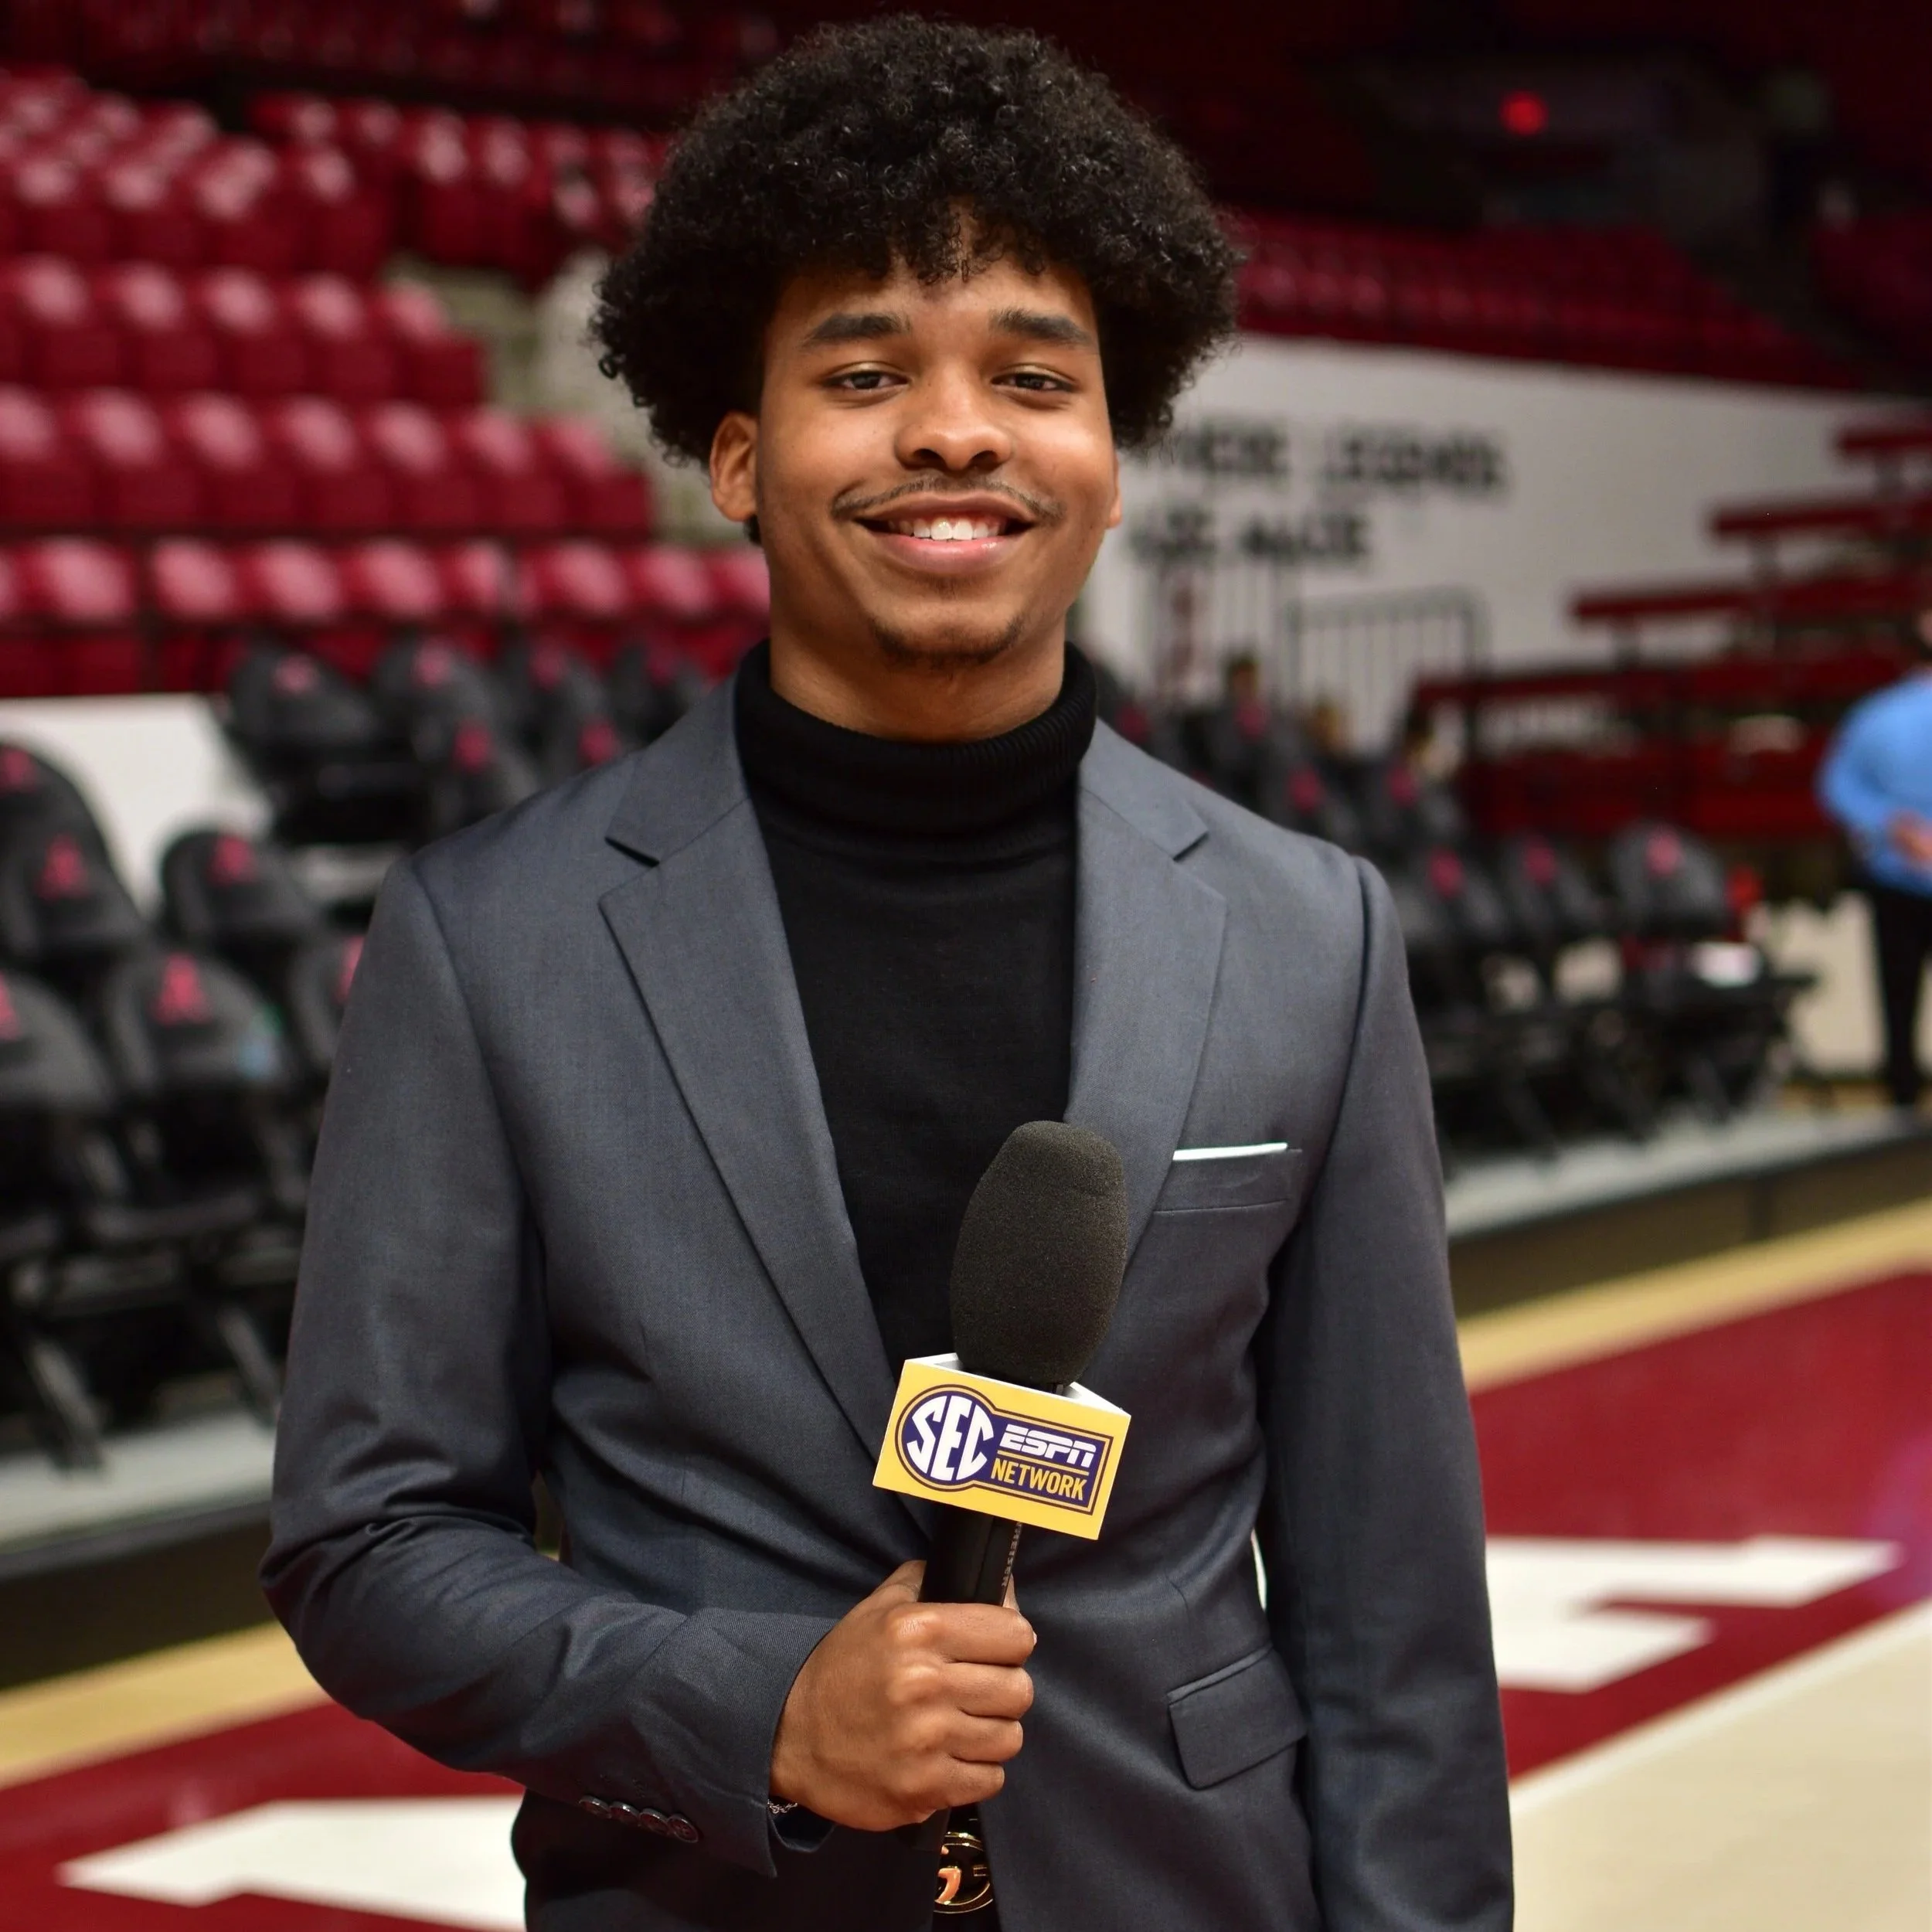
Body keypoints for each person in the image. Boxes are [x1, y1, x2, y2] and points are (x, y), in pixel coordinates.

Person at [264, 21, 1510, 1932]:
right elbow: (367, 1540)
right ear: (736, 458)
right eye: (863, 374)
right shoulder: (491, 938)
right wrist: (753, 1708)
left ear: (1108, 460)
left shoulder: (1306, 931)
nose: (953, 430)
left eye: (1033, 376)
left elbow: (1390, 1595)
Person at [1818, 609, 1932, 1109]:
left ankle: (1902, 1096)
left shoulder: (1873, 714)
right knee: (1899, 992)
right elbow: (1836, 786)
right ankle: (1902, 1094)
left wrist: (1893, 825)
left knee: (1898, 995)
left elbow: (1838, 789)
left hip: (1895, 875)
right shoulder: (1877, 715)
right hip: (1897, 877)